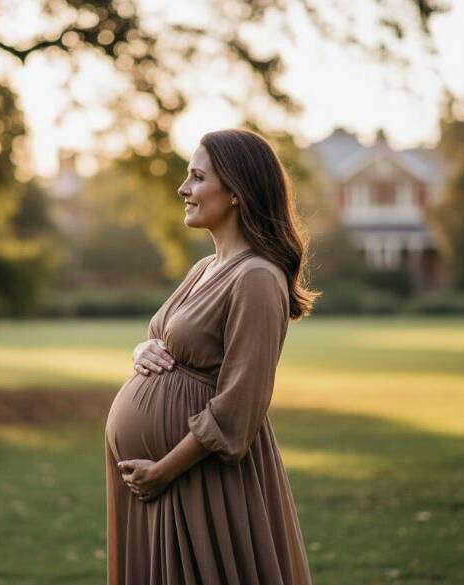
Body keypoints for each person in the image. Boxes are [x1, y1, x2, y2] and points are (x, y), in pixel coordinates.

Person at [104, 128, 321, 585]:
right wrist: (142, 349)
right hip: (161, 483)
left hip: (199, 481)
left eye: (197, 177)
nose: (184, 189)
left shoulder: (257, 278)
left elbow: (240, 407)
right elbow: (167, 339)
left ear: (237, 193)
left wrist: (162, 470)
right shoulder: (205, 267)